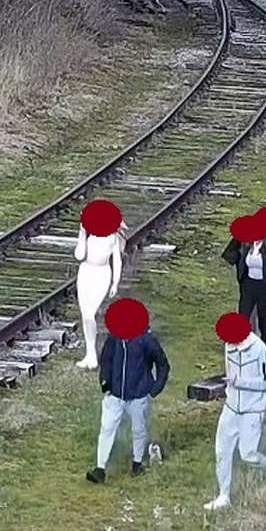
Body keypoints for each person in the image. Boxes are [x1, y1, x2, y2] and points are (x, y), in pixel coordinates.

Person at [204, 311, 266, 512]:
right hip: (231, 407)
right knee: (222, 452)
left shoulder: (259, 349)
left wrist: (239, 382)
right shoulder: (228, 344)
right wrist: (231, 388)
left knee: (248, 454)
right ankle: (224, 496)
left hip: (252, 409)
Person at [86, 297, 170, 484]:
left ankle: (137, 463)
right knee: (106, 428)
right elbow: (106, 361)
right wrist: (105, 384)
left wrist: (154, 389)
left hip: (139, 395)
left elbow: (163, 365)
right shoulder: (114, 338)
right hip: (114, 394)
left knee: (138, 429)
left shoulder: (147, 340)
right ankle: (100, 469)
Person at [222, 214, 266, 348]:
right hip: (248, 286)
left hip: (264, 288)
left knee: (263, 320)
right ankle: (241, 346)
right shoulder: (245, 244)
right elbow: (230, 255)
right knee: (243, 317)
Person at [75, 198, 125, 369]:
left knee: (91, 314)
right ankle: (90, 354)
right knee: (85, 315)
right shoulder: (89, 235)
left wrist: (115, 283)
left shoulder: (112, 237)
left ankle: (93, 355)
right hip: (86, 271)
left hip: (102, 273)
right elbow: (79, 255)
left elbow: (117, 261)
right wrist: (82, 233)